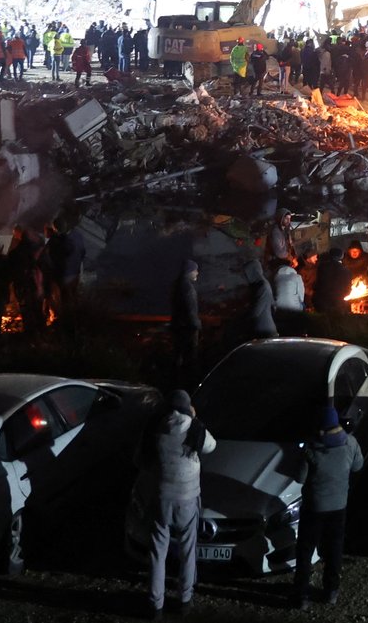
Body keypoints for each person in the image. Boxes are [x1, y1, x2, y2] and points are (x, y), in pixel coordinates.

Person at [143, 390, 216, 618]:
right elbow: (212, 446)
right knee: (187, 549)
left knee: (158, 552)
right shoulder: (195, 429)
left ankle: (156, 605)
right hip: (187, 497)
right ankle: (184, 600)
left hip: (161, 496)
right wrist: (195, 419)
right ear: (188, 407)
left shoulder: (155, 427)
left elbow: (139, 459)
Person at [293, 404, 365, 608]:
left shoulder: (310, 448)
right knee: (334, 549)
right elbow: (358, 466)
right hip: (338, 507)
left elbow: (299, 478)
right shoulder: (350, 443)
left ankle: (301, 596)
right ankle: (331, 591)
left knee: (305, 551)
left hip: (314, 507)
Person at [170, 260, 200, 383]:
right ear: (190, 271)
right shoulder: (187, 288)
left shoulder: (177, 286)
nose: (197, 273)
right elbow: (190, 309)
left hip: (179, 326)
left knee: (178, 355)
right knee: (189, 357)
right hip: (187, 328)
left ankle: (177, 380)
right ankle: (188, 383)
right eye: (195, 270)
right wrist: (196, 325)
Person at [238, 257, 278, 338]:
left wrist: (241, 321)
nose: (246, 277)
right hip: (266, 328)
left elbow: (256, 312)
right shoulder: (262, 284)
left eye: (247, 274)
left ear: (253, 272)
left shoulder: (262, 286)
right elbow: (273, 304)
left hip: (265, 331)